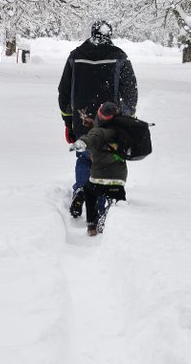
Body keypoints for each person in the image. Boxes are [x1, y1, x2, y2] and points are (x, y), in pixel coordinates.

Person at [57, 20, 137, 218]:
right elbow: (129, 93)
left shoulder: (75, 56)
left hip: (82, 120)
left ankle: (82, 189)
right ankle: (101, 210)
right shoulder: (119, 57)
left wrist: (68, 121)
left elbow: (64, 92)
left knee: (84, 157)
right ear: (108, 35)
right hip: (109, 121)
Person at [70, 102, 128, 236]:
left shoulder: (97, 132)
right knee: (118, 199)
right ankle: (111, 213)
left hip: (98, 179)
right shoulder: (123, 131)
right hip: (119, 179)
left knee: (89, 192)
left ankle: (92, 225)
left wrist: (80, 143)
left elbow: (90, 138)